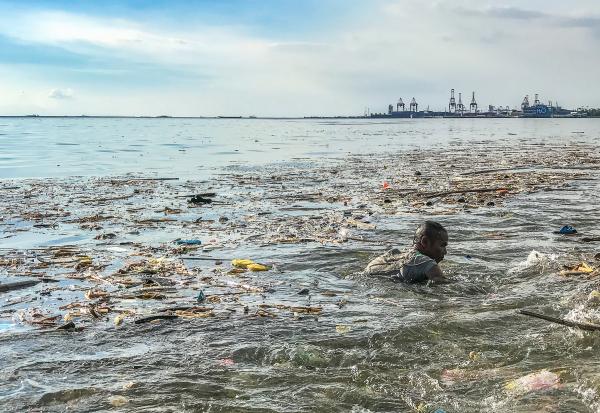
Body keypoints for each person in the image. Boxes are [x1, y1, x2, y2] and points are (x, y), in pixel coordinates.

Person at [364, 221, 448, 283]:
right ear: (425, 242)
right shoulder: (427, 262)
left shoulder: (396, 254)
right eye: (442, 245)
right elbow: (441, 283)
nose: (445, 252)